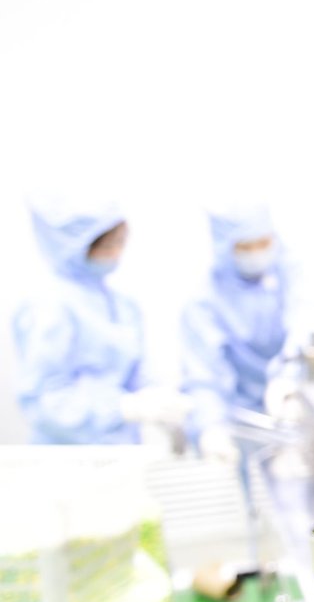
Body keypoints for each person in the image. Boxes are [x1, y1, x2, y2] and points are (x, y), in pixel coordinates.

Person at [13, 194, 191, 444]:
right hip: (66, 454)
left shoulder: (121, 304)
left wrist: (159, 395)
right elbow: (43, 400)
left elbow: (135, 373)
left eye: (120, 242)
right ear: (76, 246)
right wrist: (120, 408)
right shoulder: (47, 306)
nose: (116, 253)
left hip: (121, 448)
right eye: (106, 246)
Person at [180, 203, 291, 464]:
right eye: (244, 247)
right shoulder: (205, 301)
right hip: (240, 423)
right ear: (224, 247)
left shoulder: (290, 274)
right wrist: (210, 428)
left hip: (292, 414)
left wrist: (290, 380)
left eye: (263, 243)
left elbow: (307, 326)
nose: (256, 253)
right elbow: (203, 375)